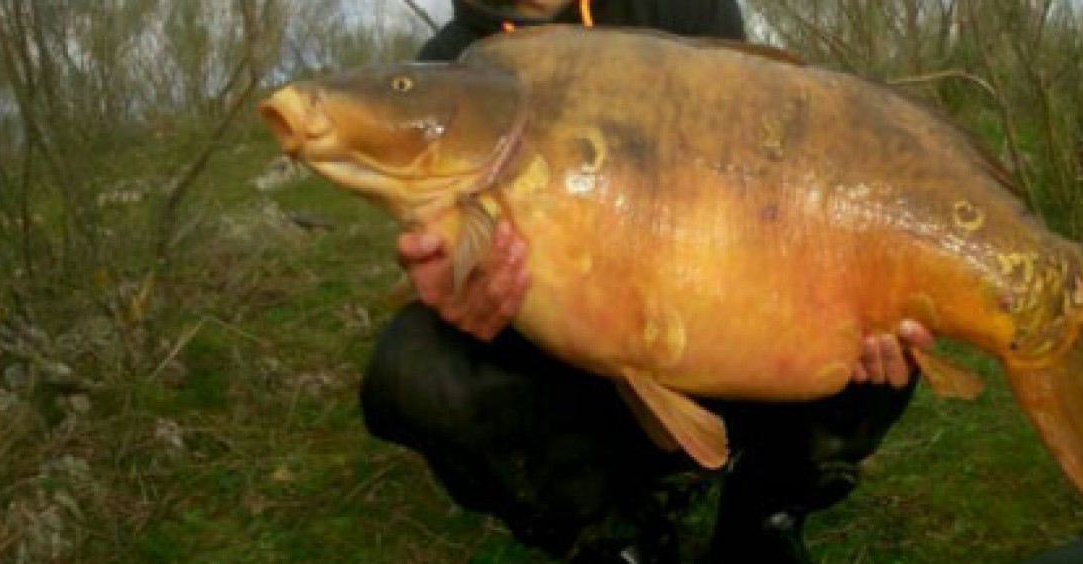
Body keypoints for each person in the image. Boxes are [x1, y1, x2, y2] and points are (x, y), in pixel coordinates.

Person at [360, 1, 932, 562]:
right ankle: (612, 535)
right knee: (414, 366)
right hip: (574, 368)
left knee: (894, 327)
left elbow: (774, 155)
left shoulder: (678, 8)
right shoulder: (453, 65)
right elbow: (437, 245)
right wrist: (453, 289)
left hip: (727, 318)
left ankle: (765, 508)